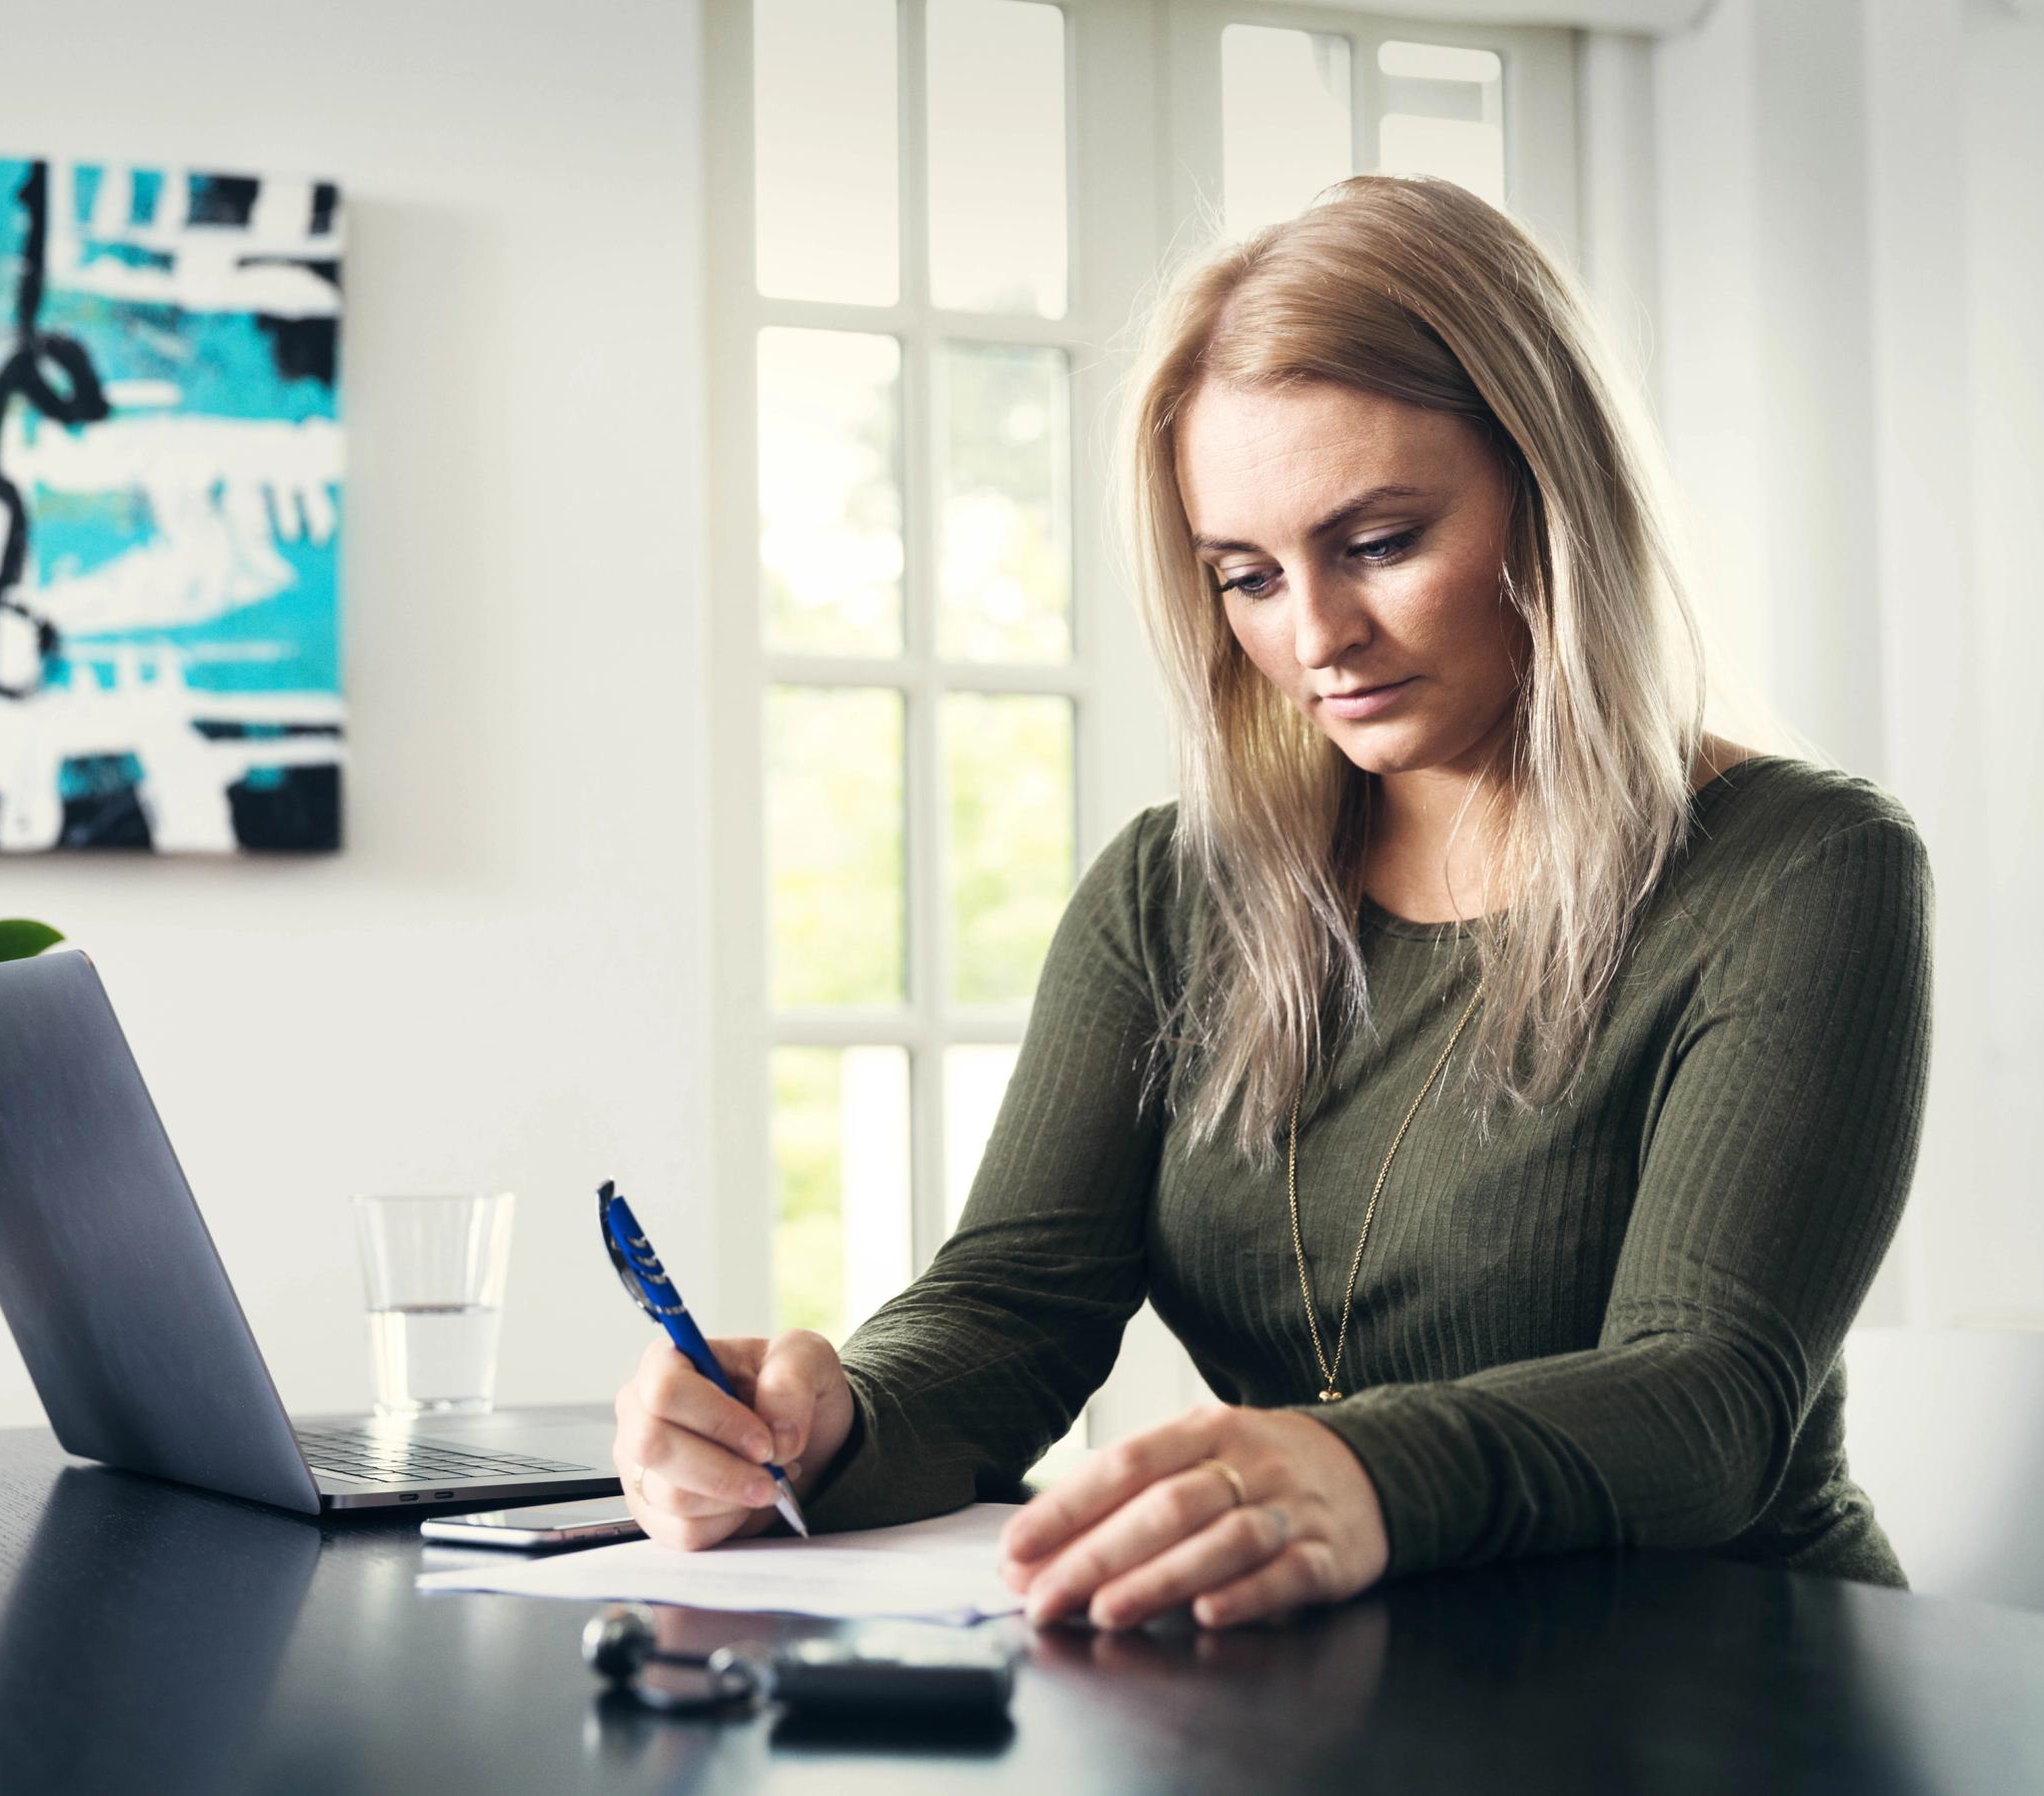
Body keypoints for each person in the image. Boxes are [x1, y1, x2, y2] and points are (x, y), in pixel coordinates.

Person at [610, 174, 1934, 1631]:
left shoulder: (1803, 869)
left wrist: (1351, 1470)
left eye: (1377, 543)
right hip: (1347, 1687)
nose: (1314, 638)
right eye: (1245, 575)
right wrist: (830, 1420)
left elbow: (1707, 1400)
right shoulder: (1170, 894)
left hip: (1736, 1688)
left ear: (1553, 497)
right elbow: (1013, 1306)